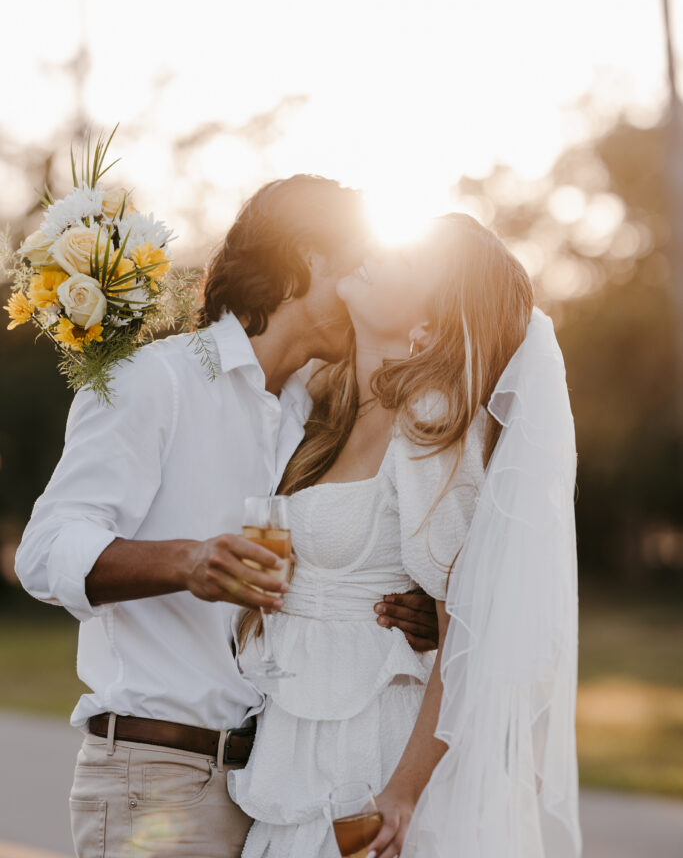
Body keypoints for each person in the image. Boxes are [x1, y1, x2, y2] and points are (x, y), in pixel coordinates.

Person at [14, 175, 437, 858]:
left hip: (268, 786)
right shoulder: (153, 380)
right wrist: (187, 562)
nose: (363, 289)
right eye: (356, 263)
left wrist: (410, 611)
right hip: (156, 779)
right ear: (307, 257)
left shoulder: (316, 419)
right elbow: (44, 551)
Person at [230, 213, 580, 858]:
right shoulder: (318, 410)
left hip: (377, 749)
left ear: (431, 320)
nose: (377, 254)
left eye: (407, 262)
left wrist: (405, 792)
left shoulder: (429, 424)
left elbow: (467, 631)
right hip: (297, 738)